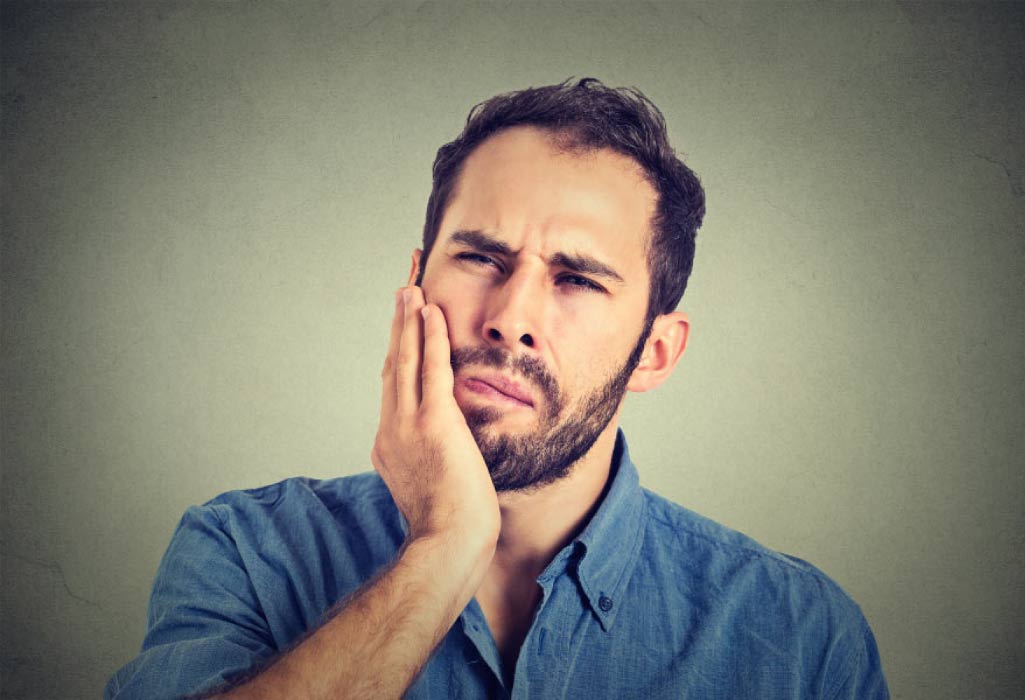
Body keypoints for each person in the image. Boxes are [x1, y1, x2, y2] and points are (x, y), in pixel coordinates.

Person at [106, 78, 888, 699]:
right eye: (481, 259)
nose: (510, 319)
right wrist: (444, 549)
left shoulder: (797, 634)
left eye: (577, 279)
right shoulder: (244, 550)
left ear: (653, 353)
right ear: (414, 284)